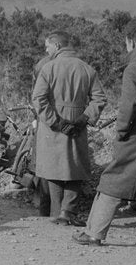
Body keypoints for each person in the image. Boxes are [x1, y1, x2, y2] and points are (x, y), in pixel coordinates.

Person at [73, 23, 136, 248]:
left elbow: (129, 105)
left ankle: (94, 233)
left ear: (131, 42)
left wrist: (122, 131)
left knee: (112, 181)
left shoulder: (134, 68)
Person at [31, 31, 107, 226]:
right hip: (77, 126)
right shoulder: (87, 69)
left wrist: (56, 121)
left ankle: (56, 213)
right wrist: (83, 119)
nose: (46, 50)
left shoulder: (48, 68)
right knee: (75, 169)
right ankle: (68, 212)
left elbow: (38, 98)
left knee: (53, 169)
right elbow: (99, 99)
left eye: (47, 46)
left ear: (56, 46)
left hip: (52, 127)